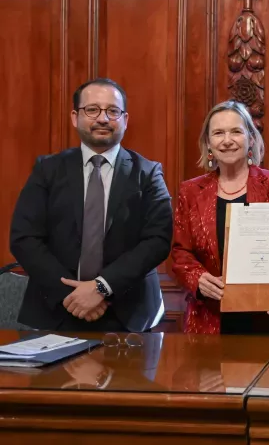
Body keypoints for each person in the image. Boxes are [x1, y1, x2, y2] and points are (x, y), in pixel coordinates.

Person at [11, 78, 172, 332]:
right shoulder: (47, 170)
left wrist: (101, 288)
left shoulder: (148, 173)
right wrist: (73, 295)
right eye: (92, 110)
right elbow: (24, 237)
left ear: (125, 119)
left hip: (128, 314)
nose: (103, 118)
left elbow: (158, 240)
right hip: (56, 308)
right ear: (75, 117)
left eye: (112, 111)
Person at [171, 101, 269, 335]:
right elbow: (180, 252)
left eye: (236, 131)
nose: (227, 140)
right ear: (208, 143)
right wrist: (198, 278)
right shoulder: (190, 191)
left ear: (250, 138)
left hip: (268, 317)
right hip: (210, 317)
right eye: (218, 133)